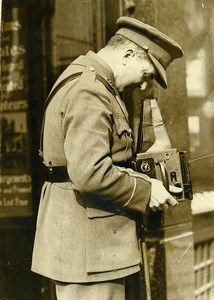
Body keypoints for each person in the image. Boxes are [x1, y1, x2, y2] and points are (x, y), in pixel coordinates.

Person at [31, 16, 184, 300]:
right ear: (127, 55)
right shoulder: (90, 90)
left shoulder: (90, 83)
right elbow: (91, 174)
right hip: (89, 249)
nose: (142, 86)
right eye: (147, 74)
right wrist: (147, 190)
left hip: (87, 245)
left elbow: (95, 159)